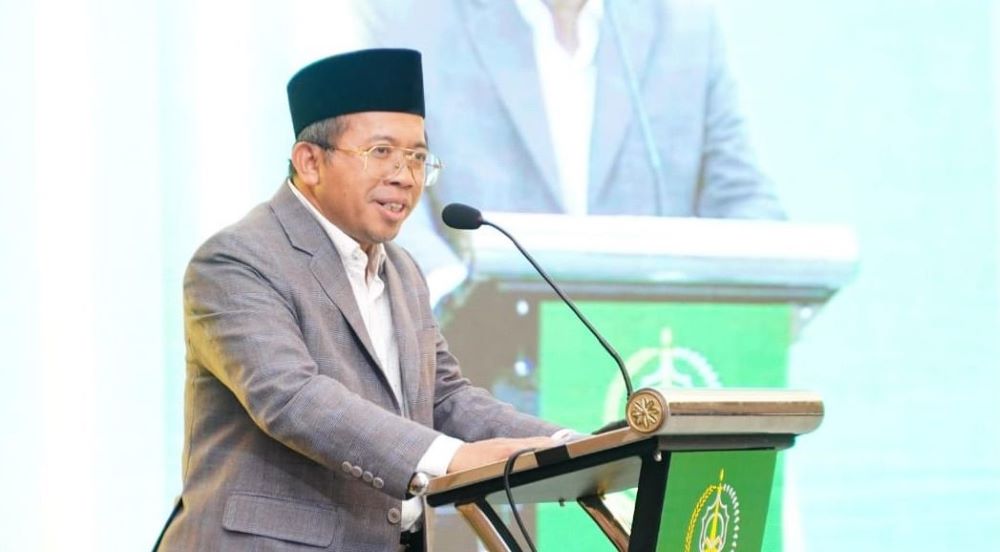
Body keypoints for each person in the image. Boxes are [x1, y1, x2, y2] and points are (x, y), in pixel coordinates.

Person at [155, 49, 563, 551]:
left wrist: (568, 446)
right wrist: (454, 459)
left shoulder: (403, 271)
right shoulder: (237, 260)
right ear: (310, 162)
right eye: (382, 151)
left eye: (418, 157)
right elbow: (291, 398)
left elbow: (444, 400)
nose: (405, 176)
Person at [360, 0, 786, 302]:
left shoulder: (684, 26)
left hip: (655, 355)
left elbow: (743, 198)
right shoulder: (411, 19)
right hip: (480, 367)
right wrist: (452, 298)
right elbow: (384, 188)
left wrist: (764, 283)